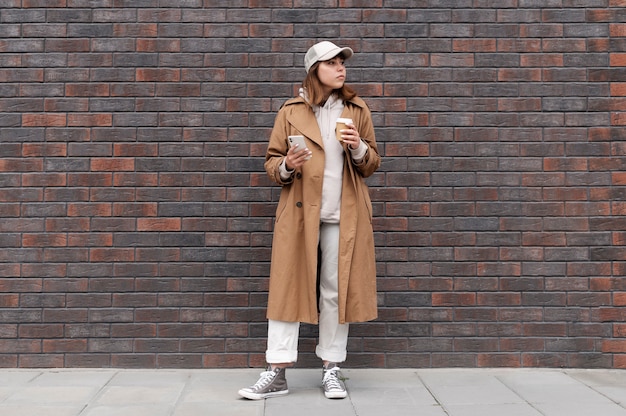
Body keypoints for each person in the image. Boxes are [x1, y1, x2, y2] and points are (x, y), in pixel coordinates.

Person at [238, 41, 381, 400]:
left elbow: (372, 163)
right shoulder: (290, 110)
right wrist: (288, 164)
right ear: (314, 69)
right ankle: (277, 371)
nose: (340, 68)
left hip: (344, 215)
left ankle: (331, 368)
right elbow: (272, 163)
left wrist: (358, 147)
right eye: (331, 63)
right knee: (287, 287)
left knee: (336, 291)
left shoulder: (356, 108)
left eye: (341, 62)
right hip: (300, 214)